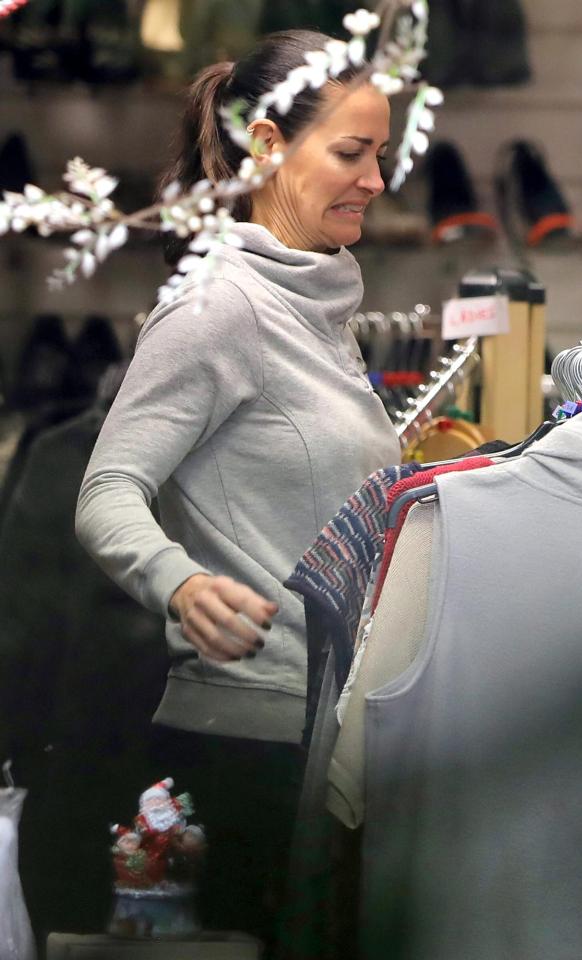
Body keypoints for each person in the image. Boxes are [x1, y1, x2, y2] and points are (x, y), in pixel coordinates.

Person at [75, 29, 400, 951]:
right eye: (350, 153)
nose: (375, 180)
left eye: (379, 153)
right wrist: (178, 581)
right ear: (266, 144)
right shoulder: (220, 306)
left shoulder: (316, 302)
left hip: (317, 736)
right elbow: (107, 488)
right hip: (246, 750)